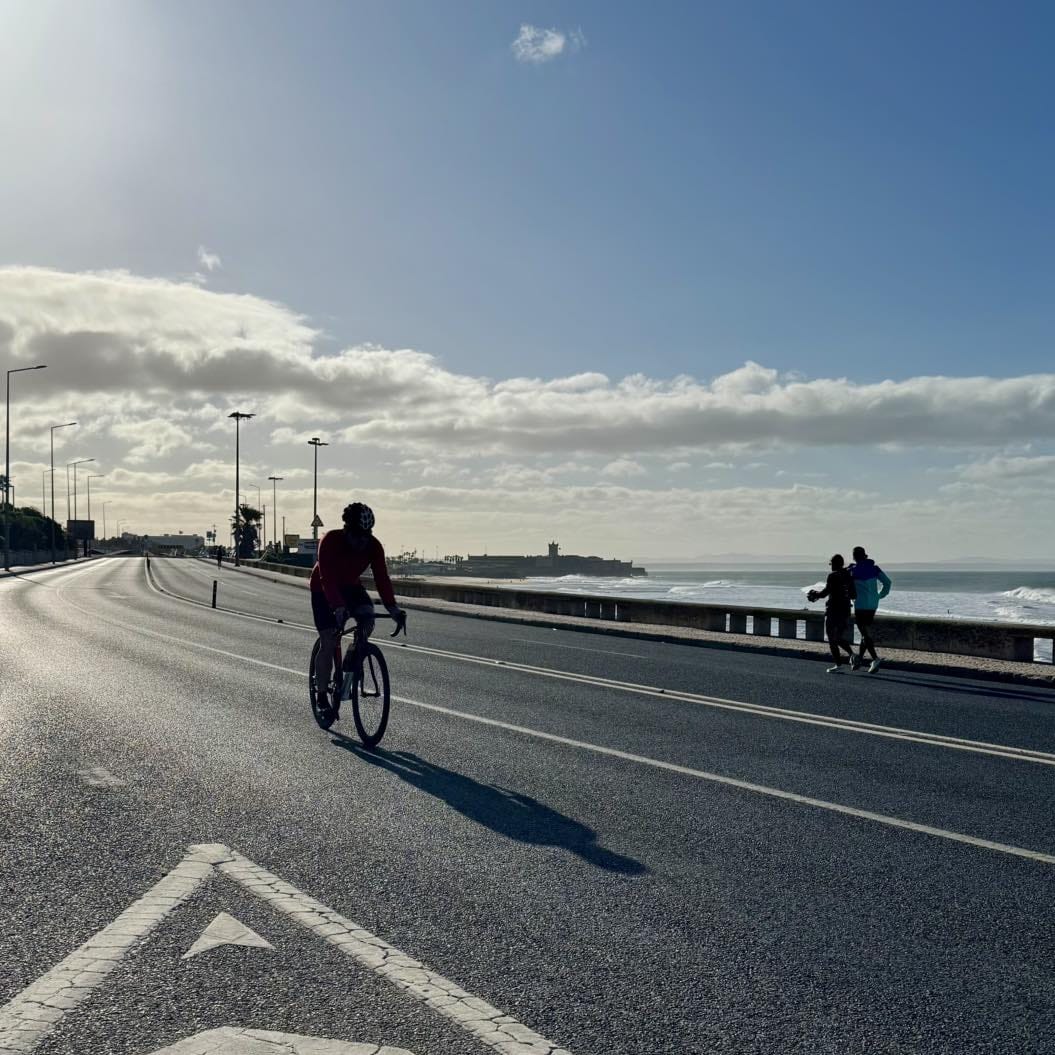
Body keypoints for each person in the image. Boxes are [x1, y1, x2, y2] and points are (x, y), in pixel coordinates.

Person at [309, 502, 404, 713]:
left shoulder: (373, 545)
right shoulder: (330, 541)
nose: (363, 541)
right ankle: (322, 694)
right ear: (347, 531)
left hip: (351, 586)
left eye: (367, 535)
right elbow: (327, 579)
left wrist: (393, 608)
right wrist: (338, 607)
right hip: (323, 588)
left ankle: (352, 658)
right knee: (328, 640)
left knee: (368, 617)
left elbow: (382, 578)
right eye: (358, 536)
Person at [807, 555, 857, 673]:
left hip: (833, 610)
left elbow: (825, 593)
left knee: (831, 637)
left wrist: (814, 594)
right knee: (838, 637)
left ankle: (839, 664)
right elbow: (854, 595)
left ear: (834, 564)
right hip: (845, 610)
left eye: (831, 564)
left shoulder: (833, 576)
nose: (831, 567)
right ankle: (852, 655)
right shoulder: (848, 575)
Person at [849, 545, 892, 673]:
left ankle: (875, 658)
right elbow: (888, 582)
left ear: (854, 557)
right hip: (873, 604)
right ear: (865, 555)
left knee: (864, 633)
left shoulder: (853, 570)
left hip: (861, 605)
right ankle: (859, 660)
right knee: (865, 633)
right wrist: (880, 595)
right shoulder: (874, 568)